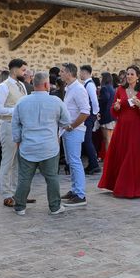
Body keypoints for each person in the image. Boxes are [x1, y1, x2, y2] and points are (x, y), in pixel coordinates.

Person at [12, 72, 72, 216]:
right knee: (51, 177)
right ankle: (55, 206)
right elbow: (66, 121)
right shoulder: (56, 101)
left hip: (28, 146)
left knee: (24, 178)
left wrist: (18, 141)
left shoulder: (22, 102)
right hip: (49, 146)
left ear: (34, 84)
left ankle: (20, 206)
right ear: (46, 84)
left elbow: (15, 125)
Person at [98, 65, 140, 198]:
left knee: (133, 157)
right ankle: (120, 185)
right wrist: (117, 106)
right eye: (127, 74)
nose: (129, 76)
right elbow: (114, 109)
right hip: (122, 129)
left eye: (132, 74)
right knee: (122, 155)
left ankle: (132, 188)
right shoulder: (120, 90)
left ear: (137, 76)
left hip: (138, 129)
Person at [0, 58, 28, 207]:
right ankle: (7, 194)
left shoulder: (21, 85)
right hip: (8, 125)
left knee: (18, 161)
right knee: (8, 160)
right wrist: (17, 111)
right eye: (23, 70)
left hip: (21, 127)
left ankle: (17, 193)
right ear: (14, 69)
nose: (24, 73)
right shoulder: (3, 86)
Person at [58, 63, 90, 207]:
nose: (60, 73)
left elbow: (85, 111)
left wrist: (72, 126)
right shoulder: (69, 88)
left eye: (62, 71)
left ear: (69, 73)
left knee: (75, 161)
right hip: (67, 130)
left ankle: (80, 194)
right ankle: (74, 189)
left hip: (74, 130)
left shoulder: (78, 89)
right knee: (71, 161)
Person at [79, 65, 101, 175]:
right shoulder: (88, 84)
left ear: (85, 72)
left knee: (87, 140)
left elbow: (94, 100)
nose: (79, 74)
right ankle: (92, 163)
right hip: (90, 115)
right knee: (86, 140)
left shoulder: (89, 85)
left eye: (80, 72)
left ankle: (94, 164)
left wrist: (94, 113)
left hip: (89, 116)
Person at [98, 72, 116, 150]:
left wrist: (98, 99)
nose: (100, 79)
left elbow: (105, 98)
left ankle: (108, 160)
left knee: (107, 139)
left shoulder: (104, 88)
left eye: (101, 77)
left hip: (106, 116)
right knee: (109, 139)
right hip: (112, 116)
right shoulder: (111, 88)